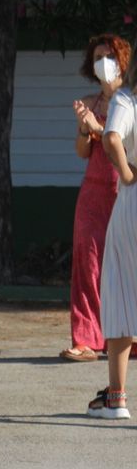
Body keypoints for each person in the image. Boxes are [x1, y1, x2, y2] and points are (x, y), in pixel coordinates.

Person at [63, 34, 129, 362]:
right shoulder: (91, 102)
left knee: (125, 264)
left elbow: (125, 147)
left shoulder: (131, 102)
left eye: (110, 55)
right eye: (98, 56)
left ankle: (126, 337)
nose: (104, 62)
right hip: (93, 189)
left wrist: (98, 128)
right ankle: (86, 337)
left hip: (125, 188)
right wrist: (82, 127)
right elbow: (82, 153)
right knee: (88, 262)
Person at [85, 70, 137, 420]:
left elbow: (112, 137)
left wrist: (127, 174)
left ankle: (116, 397)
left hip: (133, 201)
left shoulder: (126, 98)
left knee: (120, 288)